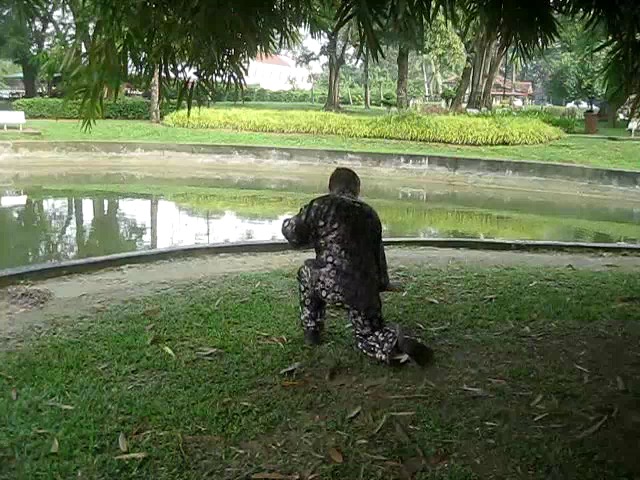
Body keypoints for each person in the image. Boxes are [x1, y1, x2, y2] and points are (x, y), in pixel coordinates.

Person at [281, 167, 433, 366]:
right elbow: (378, 257)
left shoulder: (321, 205)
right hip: (364, 291)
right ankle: (395, 343)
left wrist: (288, 223)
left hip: (330, 283)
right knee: (368, 337)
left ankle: (312, 331)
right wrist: (382, 284)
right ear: (357, 189)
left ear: (330, 187)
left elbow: (294, 234)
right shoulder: (370, 214)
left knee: (306, 272)